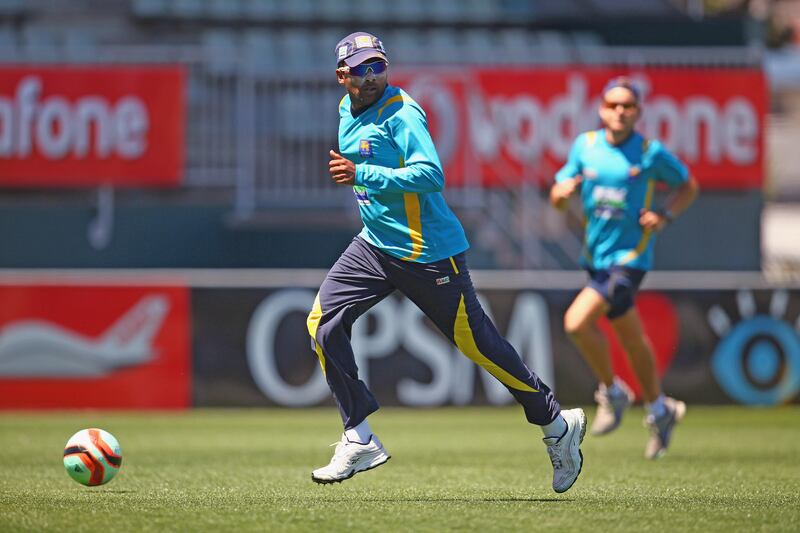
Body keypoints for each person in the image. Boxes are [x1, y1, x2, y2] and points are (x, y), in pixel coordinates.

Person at [306, 31, 586, 492]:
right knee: (322, 323)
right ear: (342, 76)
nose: (372, 76)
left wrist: (362, 174)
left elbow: (431, 174)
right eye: (361, 69)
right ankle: (359, 436)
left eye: (378, 65)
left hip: (427, 253)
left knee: (480, 346)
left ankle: (555, 423)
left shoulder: (402, 112)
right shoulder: (345, 111)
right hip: (375, 245)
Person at [550, 77, 699, 459]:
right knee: (632, 340)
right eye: (613, 105)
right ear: (601, 109)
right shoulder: (586, 146)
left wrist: (664, 215)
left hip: (630, 258)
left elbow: (688, 186)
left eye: (627, 106)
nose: (620, 111)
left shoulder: (649, 153)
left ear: (638, 113)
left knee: (576, 322)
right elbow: (558, 192)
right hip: (596, 258)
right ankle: (660, 409)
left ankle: (612, 392)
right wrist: (560, 194)